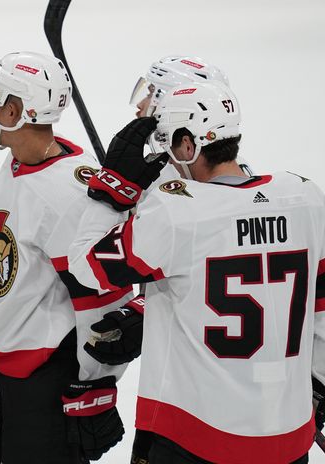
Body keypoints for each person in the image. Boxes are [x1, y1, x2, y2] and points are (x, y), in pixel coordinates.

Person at [68, 80, 325, 463]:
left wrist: (111, 191)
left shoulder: (176, 213)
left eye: (165, 144)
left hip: (194, 438)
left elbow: (86, 264)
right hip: (288, 438)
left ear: (188, 146)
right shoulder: (304, 197)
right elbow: (318, 310)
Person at [0, 51, 132, 464]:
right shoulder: (19, 160)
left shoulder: (70, 192)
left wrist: (95, 385)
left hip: (46, 380)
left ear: (18, 110)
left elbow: (105, 296)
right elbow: (20, 236)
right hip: (1, 363)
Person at [86, 56, 256, 463]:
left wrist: (111, 193)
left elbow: (92, 262)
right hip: (252, 408)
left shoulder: (187, 194)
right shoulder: (213, 177)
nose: (139, 107)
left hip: (193, 409)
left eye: (150, 95)